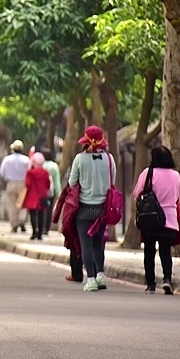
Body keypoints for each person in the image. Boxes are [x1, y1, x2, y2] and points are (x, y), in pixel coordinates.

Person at [69, 125, 115, 292]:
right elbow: (112, 181)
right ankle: (101, 275)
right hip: (102, 208)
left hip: (84, 208)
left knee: (85, 244)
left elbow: (72, 182)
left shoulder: (80, 159)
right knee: (98, 244)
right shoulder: (109, 159)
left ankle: (91, 279)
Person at [132, 146, 180, 294]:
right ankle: (167, 280)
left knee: (149, 251)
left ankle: (151, 284)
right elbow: (178, 197)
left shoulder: (148, 173)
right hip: (170, 220)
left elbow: (136, 193)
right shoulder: (176, 175)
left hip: (150, 219)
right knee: (166, 252)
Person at [0, 140, 30, 232]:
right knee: (23, 203)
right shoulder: (26, 160)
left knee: (12, 204)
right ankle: (22, 220)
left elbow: (2, 172)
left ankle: (14, 224)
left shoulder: (7, 159)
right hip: (23, 183)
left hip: (11, 183)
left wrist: (7, 178)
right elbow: (29, 172)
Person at [23, 152, 51, 240]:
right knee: (41, 214)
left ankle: (34, 231)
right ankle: (40, 233)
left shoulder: (30, 172)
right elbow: (48, 185)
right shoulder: (45, 172)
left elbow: (27, 184)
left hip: (32, 195)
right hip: (42, 196)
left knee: (32, 214)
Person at [41, 149, 61, 237]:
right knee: (48, 210)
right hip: (50, 191)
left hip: (40, 191)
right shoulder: (54, 166)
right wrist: (59, 192)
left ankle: (40, 226)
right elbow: (56, 180)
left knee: (40, 209)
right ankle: (46, 228)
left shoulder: (40, 165)